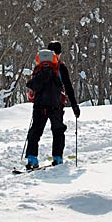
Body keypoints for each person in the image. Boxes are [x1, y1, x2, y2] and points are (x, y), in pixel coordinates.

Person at [25, 40, 81, 169]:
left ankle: (32, 159)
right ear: (59, 53)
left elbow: (33, 87)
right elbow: (68, 87)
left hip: (39, 105)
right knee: (58, 131)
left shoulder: (38, 68)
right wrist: (75, 107)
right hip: (56, 105)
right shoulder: (60, 67)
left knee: (35, 131)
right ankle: (57, 158)